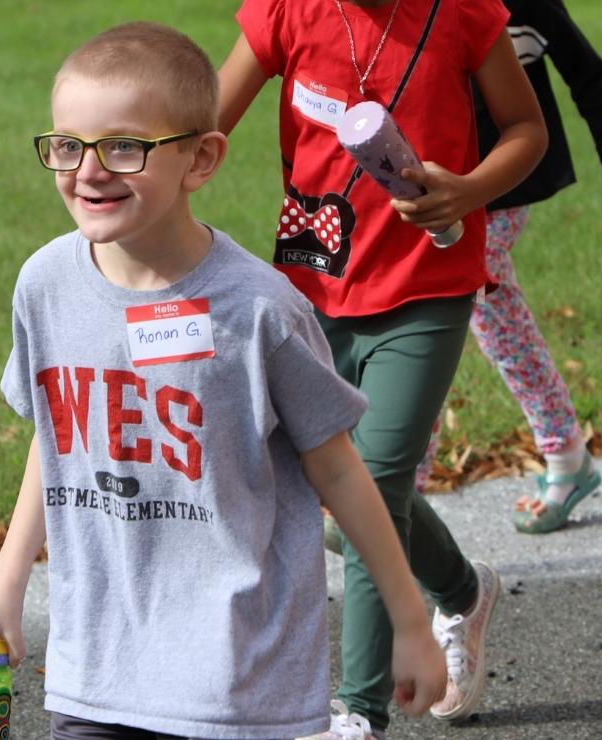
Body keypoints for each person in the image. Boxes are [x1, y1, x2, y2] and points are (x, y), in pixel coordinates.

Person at [0, 21, 447, 740]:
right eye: (68, 145)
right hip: (98, 672)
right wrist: (5, 581)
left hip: (237, 683)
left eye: (123, 147)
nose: (89, 170)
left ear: (201, 159)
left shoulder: (261, 310)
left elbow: (339, 471)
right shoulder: (45, 284)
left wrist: (409, 620)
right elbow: (60, 434)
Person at [217, 0, 547, 735]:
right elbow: (203, 126)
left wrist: (469, 187)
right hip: (311, 293)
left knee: (372, 487)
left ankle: (358, 712)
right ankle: (461, 592)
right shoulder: (287, 10)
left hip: (427, 288)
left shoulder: (466, 11)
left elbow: (527, 131)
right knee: (343, 488)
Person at [415, 0, 602, 534]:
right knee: (463, 314)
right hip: (434, 188)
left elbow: (587, 72)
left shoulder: (529, 4)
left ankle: (402, 482)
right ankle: (564, 454)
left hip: (504, 191)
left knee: (446, 310)